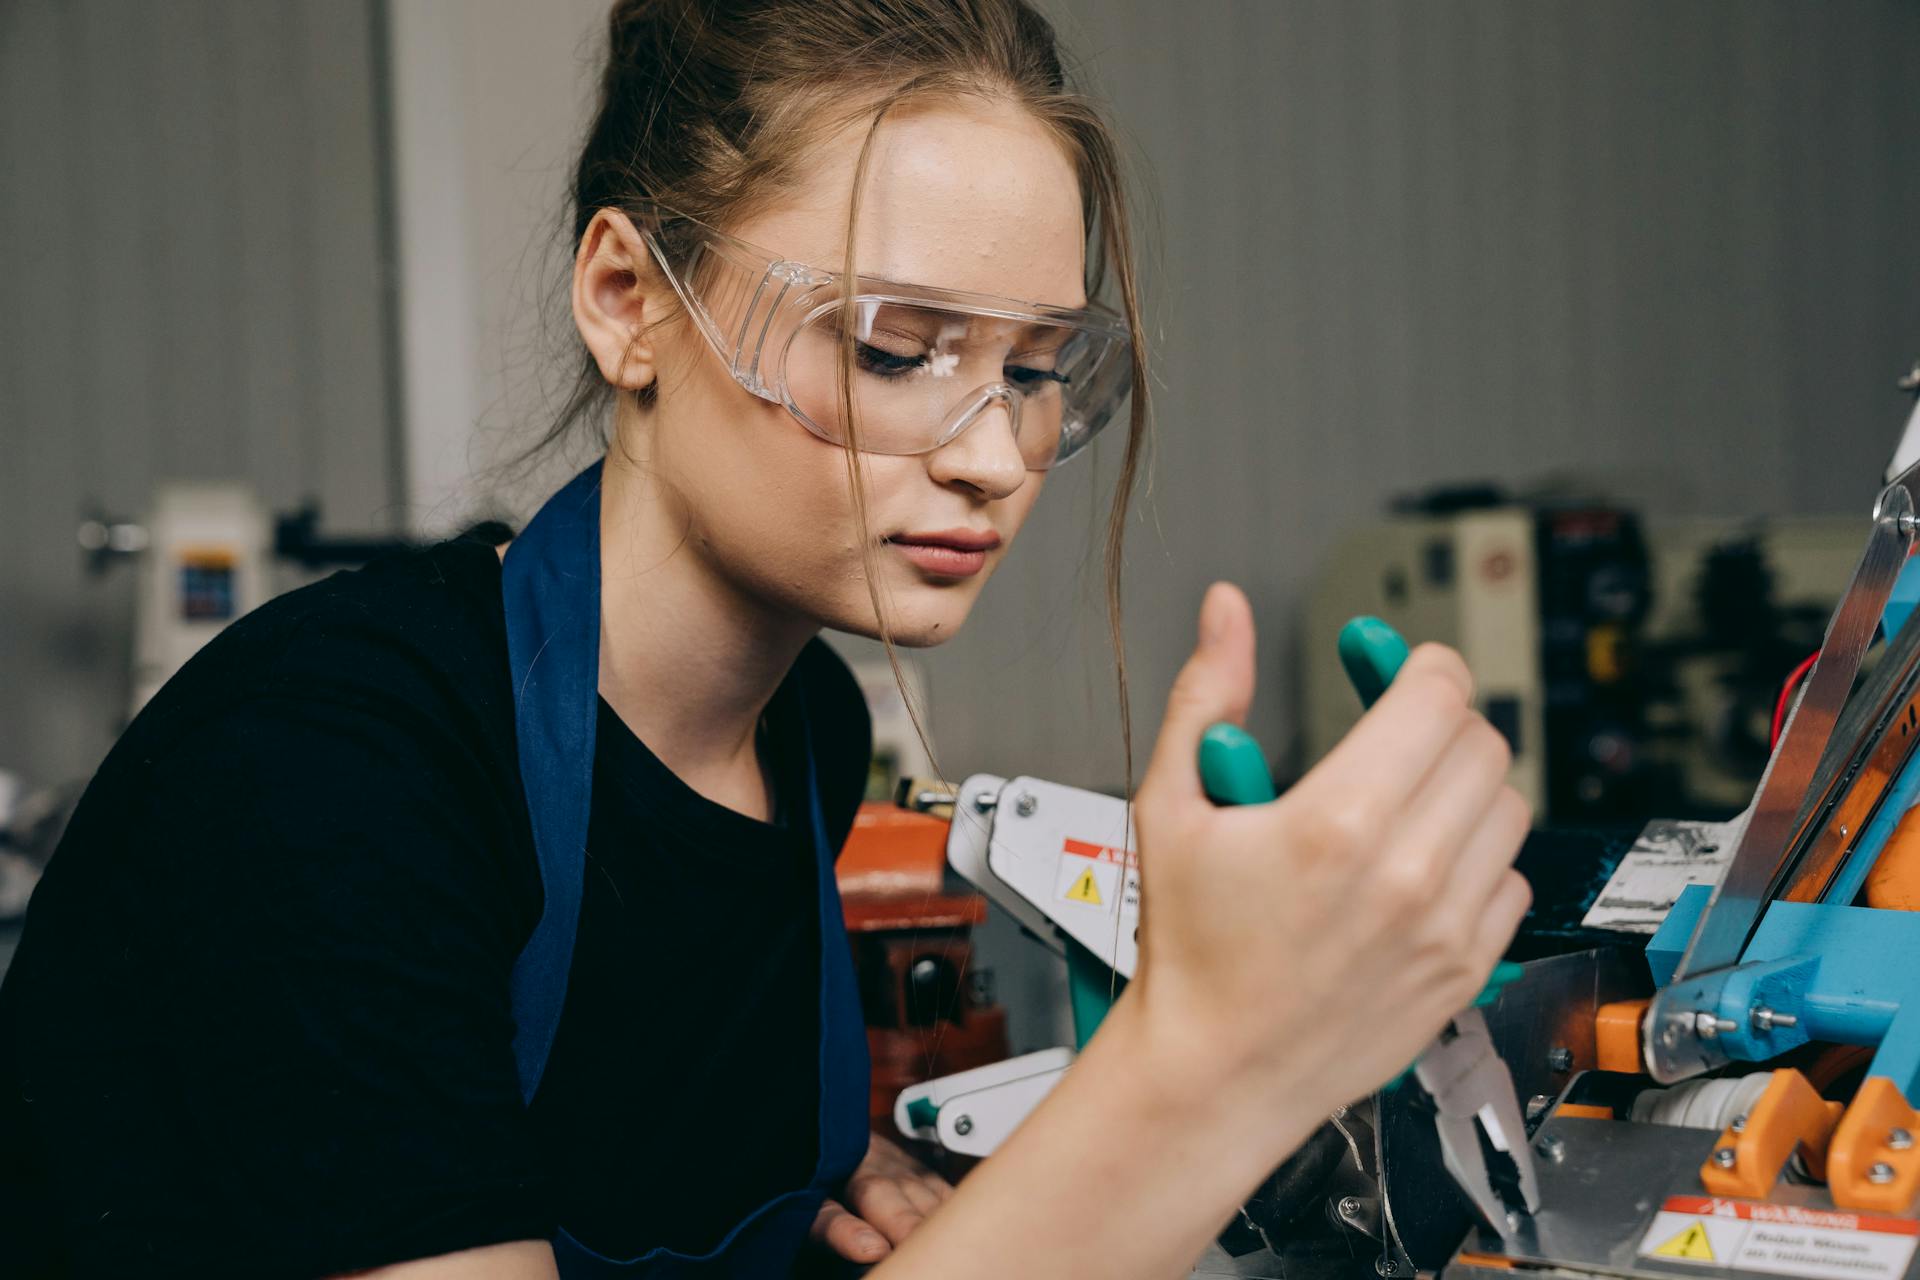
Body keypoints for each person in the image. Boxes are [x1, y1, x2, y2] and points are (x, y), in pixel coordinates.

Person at [0, 1, 1531, 1277]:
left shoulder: (805, 729)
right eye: (895, 348)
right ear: (627, 300)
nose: (996, 457)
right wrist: (1210, 1058)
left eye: (1042, 368)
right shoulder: (337, 767)